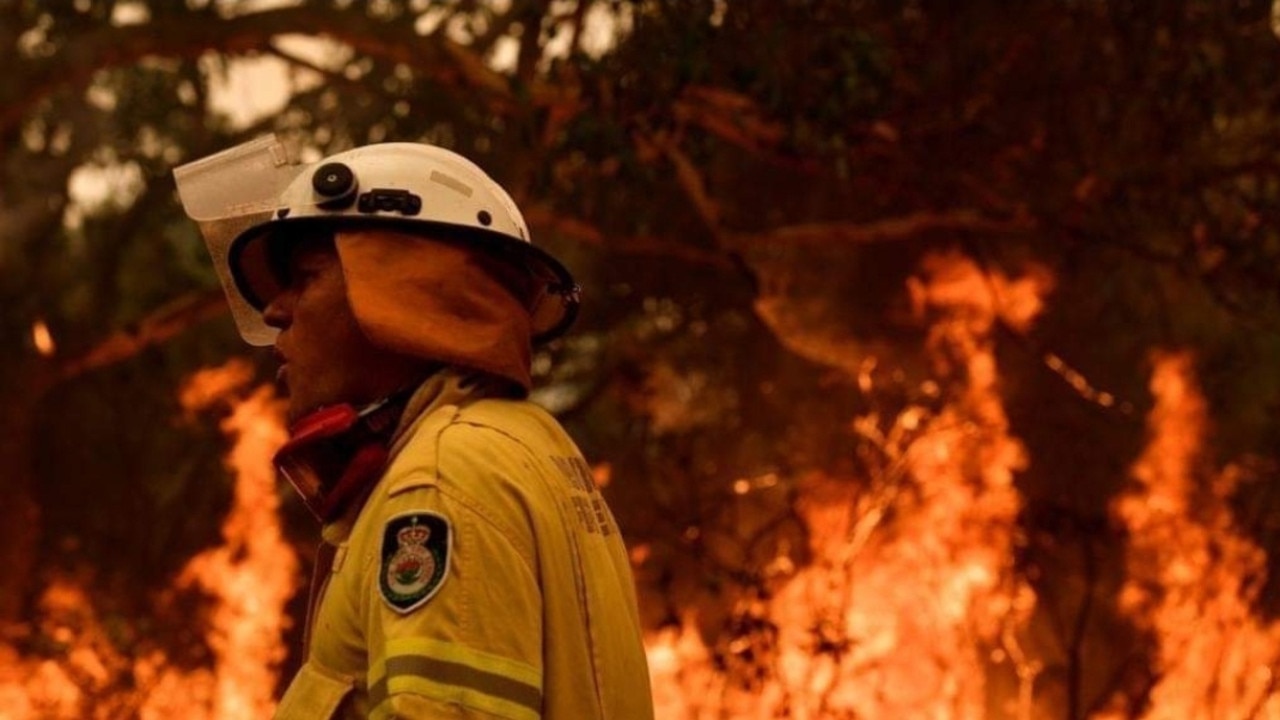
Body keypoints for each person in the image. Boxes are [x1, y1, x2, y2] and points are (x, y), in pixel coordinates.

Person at [175, 139, 655, 719]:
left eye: (306, 276)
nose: (276, 311)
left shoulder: (440, 476)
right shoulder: (524, 443)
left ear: (410, 291)